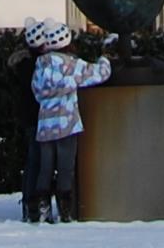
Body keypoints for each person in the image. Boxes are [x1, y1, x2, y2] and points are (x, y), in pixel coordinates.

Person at [23, 20, 108, 222]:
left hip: (45, 126)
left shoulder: (40, 65)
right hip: (67, 124)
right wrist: (105, 58)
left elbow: (37, 92)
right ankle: (65, 211)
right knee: (65, 168)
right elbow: (100, 74)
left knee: (45, 168)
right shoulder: (72, 64)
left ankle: (41, 209)